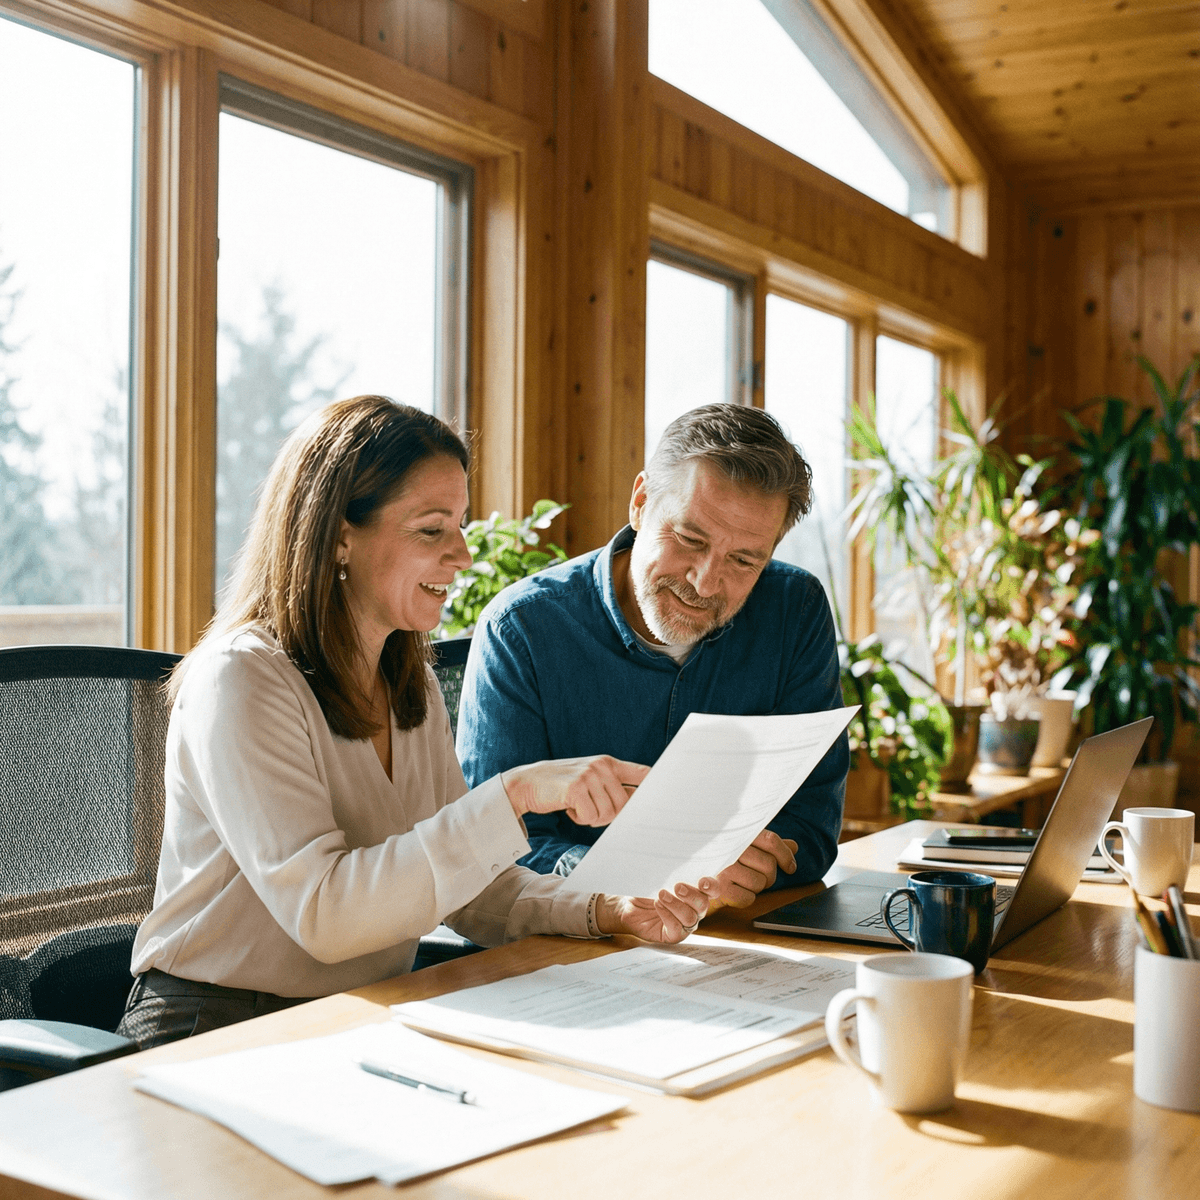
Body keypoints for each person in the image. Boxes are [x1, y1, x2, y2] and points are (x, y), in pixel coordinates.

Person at [117, 396, 710, 1049]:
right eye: (432, 530)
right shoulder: (242, 680)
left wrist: (607, 911)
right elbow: (325, 915)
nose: (462, 555)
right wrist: (512, 799)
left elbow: (473, 890)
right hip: (217, 1027)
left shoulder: (408, 679)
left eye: (460, 525)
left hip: (359, 1015)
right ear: (340, 533)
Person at [457, 403, 848, 908]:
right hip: (570, 942)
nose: (705, 581)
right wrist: (631, 882)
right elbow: (488, 845)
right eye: (689, 538)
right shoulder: (523, 628)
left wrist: (761, 867)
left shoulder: (795, 612)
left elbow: (812, 824)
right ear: (641, 502)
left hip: (735, 932)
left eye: (744, 560)